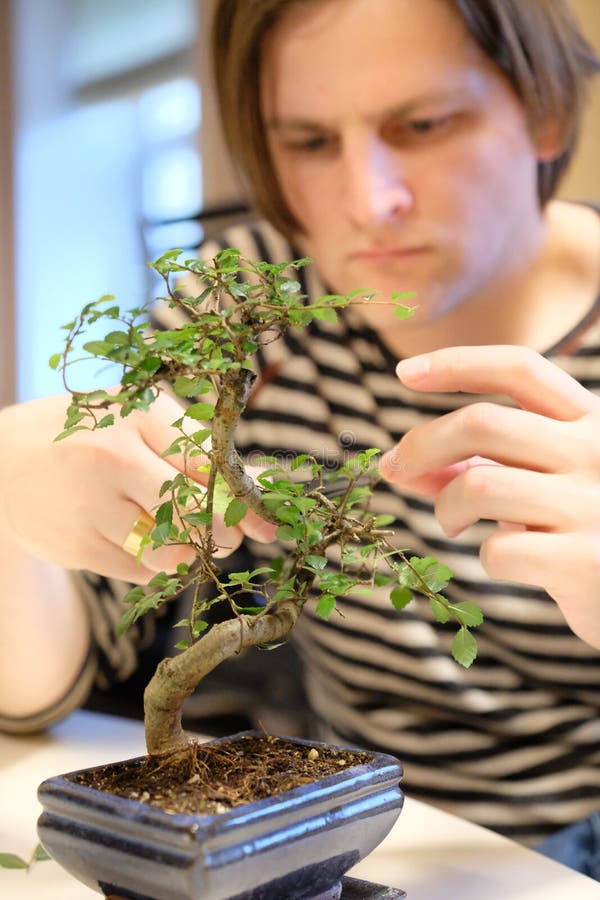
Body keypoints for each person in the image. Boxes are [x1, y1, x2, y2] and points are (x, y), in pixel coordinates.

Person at [1, 0, 599, 876]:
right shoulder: (244, 310)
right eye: (310, 142)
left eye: (423, 124)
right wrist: (12, 499)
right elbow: (39, 683)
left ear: (544, 111)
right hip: (346, 844)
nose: (370, 201)